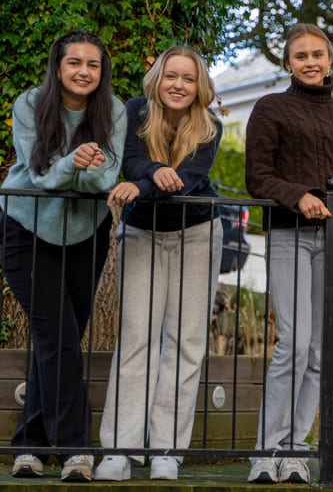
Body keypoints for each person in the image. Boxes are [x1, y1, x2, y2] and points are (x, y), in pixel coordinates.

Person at [0, 30, 127, 481]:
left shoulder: (113, 110)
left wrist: (85, 171)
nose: (84, 72)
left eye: (93, 65)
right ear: (59, 66)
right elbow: (38, 175)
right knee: (60, 339)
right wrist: (73, 163)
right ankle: (75, 449)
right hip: (27, 228)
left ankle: (30, 447)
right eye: (75, 63)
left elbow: (108, 176)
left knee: (56, 342)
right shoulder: (29, 105)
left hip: (85, 234)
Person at [94, 45, 223, 482]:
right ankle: (118, 450)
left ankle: (166, 449)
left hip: (198, 234)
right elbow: (129, 161)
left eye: (189, 78)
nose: (179, 85)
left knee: (186, 343)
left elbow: (185, 179)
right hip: (142, 234)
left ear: (199, 85)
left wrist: (142, 183)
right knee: (136, 339)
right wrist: (149, 172)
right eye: (172, 76)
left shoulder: (210, 126)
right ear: (157, 77)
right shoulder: (133, 112)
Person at [245, 23, 333, 484]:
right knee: (291, 343)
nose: (311, 62)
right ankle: (265, 452)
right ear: (287, 64)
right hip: (290, 234)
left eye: (318, 54)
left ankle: (296, 450)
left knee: (318, 349)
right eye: (301, 56)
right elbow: (258, 177)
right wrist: (299, 195)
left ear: (330, 58)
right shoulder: (270, 108)